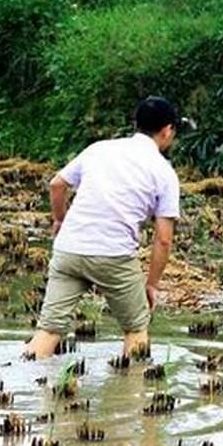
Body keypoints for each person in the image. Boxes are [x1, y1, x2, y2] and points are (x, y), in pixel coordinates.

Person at [25, 96, 181, 359]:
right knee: (136, 328)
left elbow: (57, 184)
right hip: (114, 256)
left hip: (69, 251)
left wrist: (60, 220)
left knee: (49, 329)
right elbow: (163, 240)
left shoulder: (99, 149)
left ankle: (22, 386)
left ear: (136, 124)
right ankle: (131, 396)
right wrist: (152, 284)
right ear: (167, 130)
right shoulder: (164, 172)